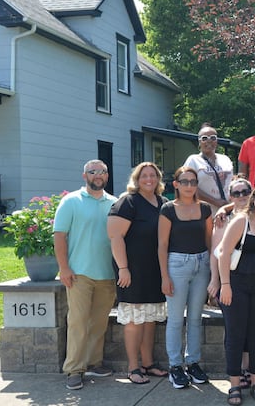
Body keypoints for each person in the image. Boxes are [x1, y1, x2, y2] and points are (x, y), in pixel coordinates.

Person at [54, 159, 118, 390]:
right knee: (78, 322)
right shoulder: (71, 201)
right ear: (85, 176)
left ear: (107, 176)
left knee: (99, 323)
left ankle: (93, 363)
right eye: (93, 172)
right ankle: (74, 369)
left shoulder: (115, 203)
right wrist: (64, 268)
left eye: (102, 172)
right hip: (79, 273)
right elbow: (59, 236)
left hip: (107, 274)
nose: (97, 175)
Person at [217, 182, 255, 404]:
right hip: (236, 284)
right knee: (235, 335)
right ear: (254, 198)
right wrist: (225, 285)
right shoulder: (242, 220)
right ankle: (234, 384)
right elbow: (223, 254)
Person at [107, 162, 168, 385]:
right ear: (137, 179)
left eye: (153, 175)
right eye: (144, 176)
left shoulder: (163, 202)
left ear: (158, 179)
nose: (149, 179)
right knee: (134, 319)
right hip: (132, 271)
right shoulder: (128, 202)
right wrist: (123, 268)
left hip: (155, 271)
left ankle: (148, 364)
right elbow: (115, 236)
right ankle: (133, 367)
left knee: (149, 319)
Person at [157, 166, 213, 389]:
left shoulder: (205, 208)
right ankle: (175, 367)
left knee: (195, 318)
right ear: (176, 184)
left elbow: (209, 240)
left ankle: (193, 363)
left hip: (202, 264)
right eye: (185, 181)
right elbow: (162, 244)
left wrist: (213, 273)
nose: (189, 186)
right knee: (175, 319)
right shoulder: (168, 209)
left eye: (193, 181)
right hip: (177, 265)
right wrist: (164, 276)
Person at [184, 124, 234, 214]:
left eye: (213, 138)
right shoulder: (193, 160)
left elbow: (231, 182)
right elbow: (189, 187)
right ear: (199, 142)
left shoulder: (225, 159)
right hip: (204, 212)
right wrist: (216, 202)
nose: (209, 141)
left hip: (227, 211)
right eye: (204, 138)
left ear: (217, 141)